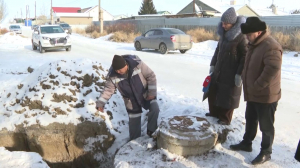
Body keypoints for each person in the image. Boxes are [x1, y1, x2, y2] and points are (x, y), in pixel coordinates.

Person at [229, 17, 282, 165]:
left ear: (259, 32)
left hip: (266, 95)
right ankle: (247, 143)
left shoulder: (270, 46)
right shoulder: (254, 44)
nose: (246, 37)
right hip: (253, 93)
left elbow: (272, 69)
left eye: (249, 34)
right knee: (251, 119)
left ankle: (266, 152)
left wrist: (257, 85)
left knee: (266, 125)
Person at [96, 55, 159, 141]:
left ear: (126, 65)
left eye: (120, 69)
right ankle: (134, 142)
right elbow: (108, 90)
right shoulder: (113, 76)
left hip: (145, 94)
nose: (118, 71)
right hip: (130, 100)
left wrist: (151, 93)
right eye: (116, 70)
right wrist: (100, 103)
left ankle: (151, 131)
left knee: (155, 108)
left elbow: (151, 76)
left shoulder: (138, 65)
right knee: (134, 121)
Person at [206, 7, 247, 125]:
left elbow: (245, 56)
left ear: (233, 23)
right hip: (220, 70)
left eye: (226, 23)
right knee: (214, 91)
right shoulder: (224, 34)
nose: (223, 25)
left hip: (231, 72)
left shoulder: (241, 37)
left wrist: (239, 74)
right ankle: (214, 112)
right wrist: (213, 64)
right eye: (222, 23)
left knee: (228, 96)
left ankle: (225, 118)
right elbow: (217, 50)